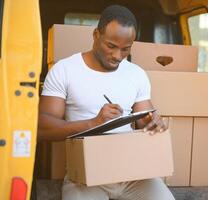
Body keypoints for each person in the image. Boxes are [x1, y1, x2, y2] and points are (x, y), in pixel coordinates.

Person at [38, 4, 175, 200]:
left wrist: (154, 122)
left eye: (125, 49)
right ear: (96, 35)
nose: (117, 56)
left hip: (133, 174)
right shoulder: (65, 70)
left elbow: (146, 117)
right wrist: (94, 123)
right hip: (85, 176)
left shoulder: (136, 74)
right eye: (111, 46)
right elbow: (42, 127)